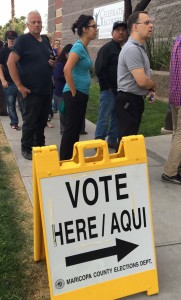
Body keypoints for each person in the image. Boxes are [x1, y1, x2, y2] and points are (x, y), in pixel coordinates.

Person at [7, 10, 56, 160]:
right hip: (30, 91)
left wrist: (52, 64)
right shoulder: (23, 40)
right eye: (33, 22)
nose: (37, 24)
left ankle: (39, 146)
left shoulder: (46, 41)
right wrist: (19, 86)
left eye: (39, 21)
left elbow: (48, 63)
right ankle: (26, 148)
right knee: (30, 122)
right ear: (28, 24)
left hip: (46, 90)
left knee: (41, 122)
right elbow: (10, 62)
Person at [59, 14, 97, 160]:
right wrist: (74, 92)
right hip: (75, 94)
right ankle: (64, 161)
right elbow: (67, 69)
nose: (96, 29)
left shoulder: (83, 47)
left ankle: (72, 160)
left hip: (81, 94)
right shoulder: (78, 46)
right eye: (93, 26)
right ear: (84, 29)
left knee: (75, 130)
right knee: (71, 129)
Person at [116, 11, 156, 148]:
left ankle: (125, 168)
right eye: (146, 22)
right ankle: (121, 169)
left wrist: (149, 88)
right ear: (135, 27)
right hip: (129, 101)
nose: (151, 25)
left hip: (133, 100)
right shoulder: (132, 49)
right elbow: (142, 81)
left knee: (128, 142)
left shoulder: (139, 48)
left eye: (151, 22)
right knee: (126, 144)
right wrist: (153, 84)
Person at [95, 21, 128, 150]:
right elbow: (99, 69)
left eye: (123, 30)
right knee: (104, 117)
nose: (121, 32)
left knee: (116, 117)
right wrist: (107, 87)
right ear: (112, 33)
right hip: (108, 91)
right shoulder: (107, 48)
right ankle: (98, 143)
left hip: (120, 90)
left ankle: (112, 140)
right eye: (118, 30)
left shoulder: (122, 49)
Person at [161, 35, 181, 184]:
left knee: (176, 133)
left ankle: (176, 165)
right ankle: (170, 172)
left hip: (175, 95)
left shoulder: (177, 40)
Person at [0, 30, 21, 130]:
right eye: (9, 39)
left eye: (13, 39)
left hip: (21, 82)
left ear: (16, 39)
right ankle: (14, 123)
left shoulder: (20, 50)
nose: (11, 41)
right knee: (11, 105)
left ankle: (27, 123)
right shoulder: (3, 51)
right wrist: (3, 80)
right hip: (9, 83)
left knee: (23, 105)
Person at [53, 43, 73, 134]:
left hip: (68, 89)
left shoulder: (70, 62)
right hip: (61, 90)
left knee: (69, 111)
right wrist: (68, 77)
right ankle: (63, 129)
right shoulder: (61, 63)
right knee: (63, 110)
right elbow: (57, 76)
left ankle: (68, 128)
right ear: (66, 53)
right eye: (71, 53)